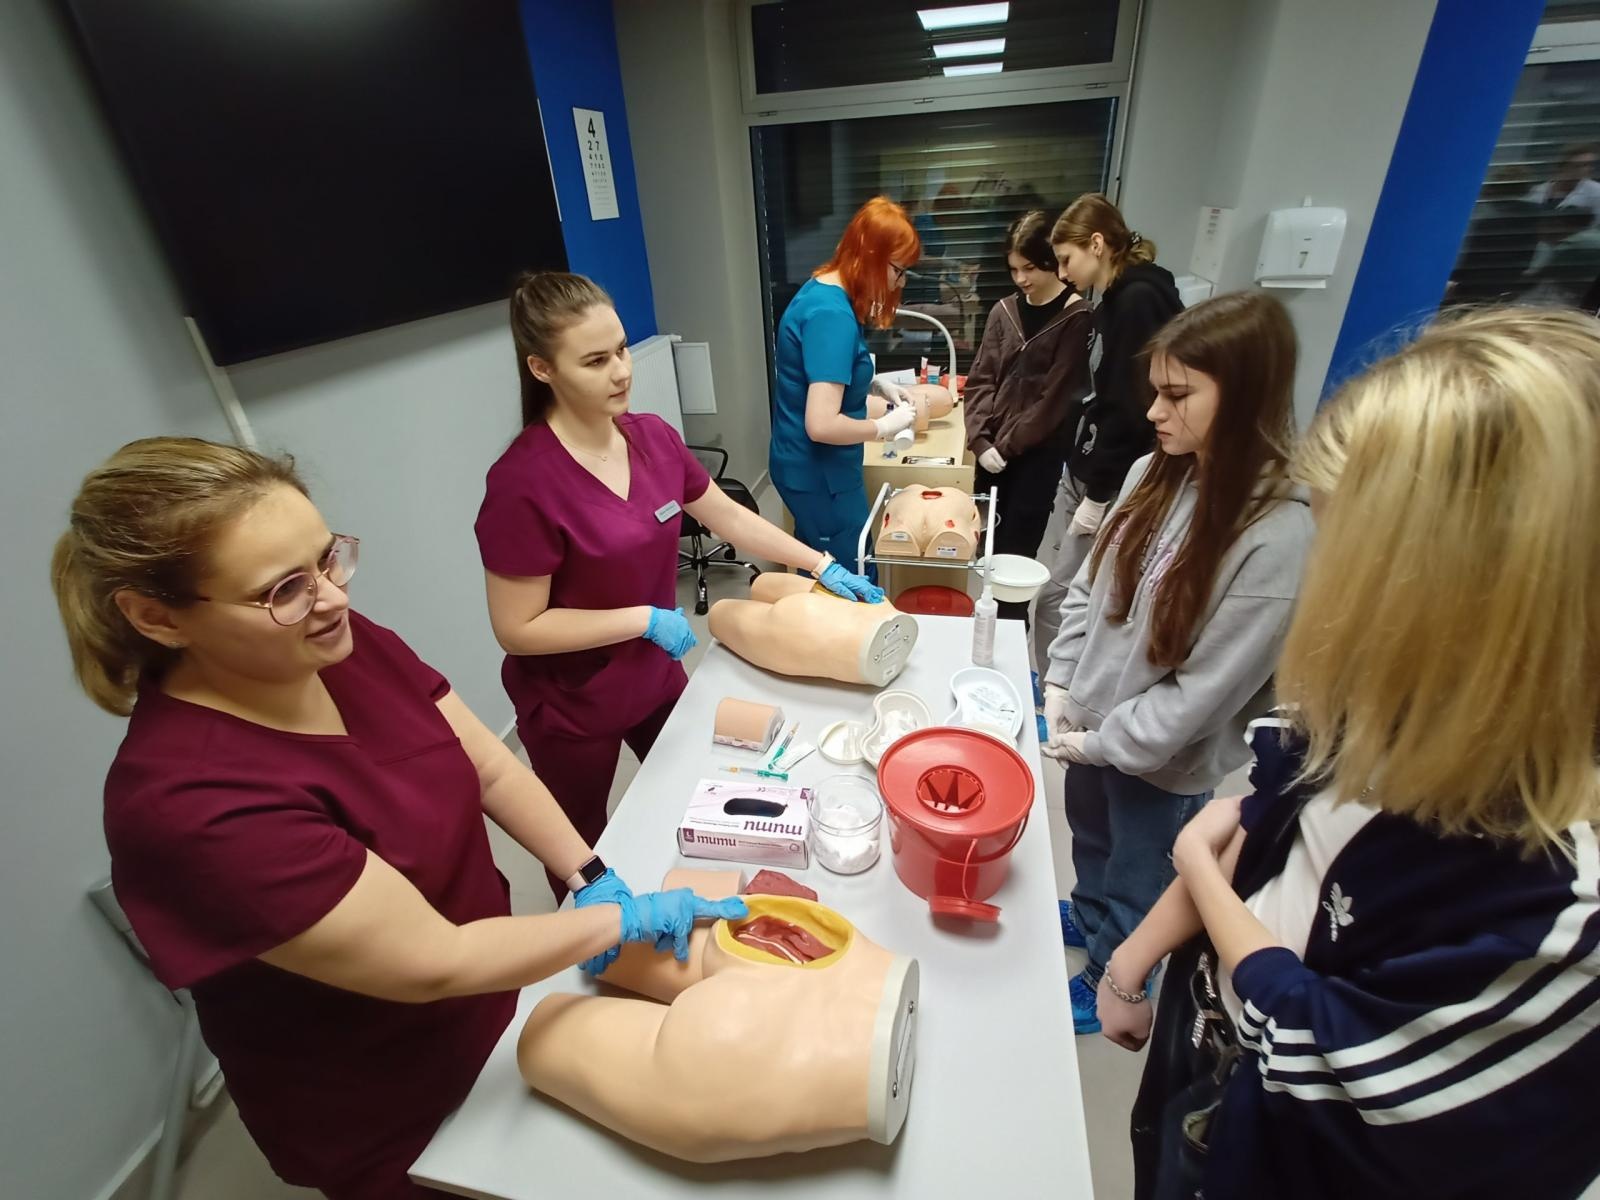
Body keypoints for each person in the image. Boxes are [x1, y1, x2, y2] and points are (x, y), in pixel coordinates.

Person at [53, 437, 748, 1200]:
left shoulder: (342, 649)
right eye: (285, 590)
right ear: (158, 617)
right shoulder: (189, 805)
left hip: (495, 999)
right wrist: (623, 921)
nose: (333, 598)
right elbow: (433, 961)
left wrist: (589, 873)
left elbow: (485, 764)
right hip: (383, 1100)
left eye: (328, 560)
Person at [1103, 306, 1600, 1200]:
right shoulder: (1379, 706)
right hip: (1212, 1071)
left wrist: (1203, 877)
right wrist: (1134, 961)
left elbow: (1325, 1058)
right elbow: (1258, 817)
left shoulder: (1565, 910)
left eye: (1353, 552)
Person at [479, 272, 883, 899]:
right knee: (583, 843)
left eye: (620, 350)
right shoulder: (521, 484)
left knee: (693, 793)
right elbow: (518, 629)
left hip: (655, 675)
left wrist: (818, 563)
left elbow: (728, 516)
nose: (620, 371)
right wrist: (641, 618)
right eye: (595, 360)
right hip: (571, 703)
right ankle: (594, 951)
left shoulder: (652, 438)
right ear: (541, 369)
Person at [1040, 291, 1313, 1036]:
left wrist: (1104, 742)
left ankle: (1112, 967)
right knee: (1090, 838)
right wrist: (1061, 679)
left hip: (1159, 761)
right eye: (1155, 392)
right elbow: (1091, 588)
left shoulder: (1275, 536)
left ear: (1246, 394)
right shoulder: (1153, 474)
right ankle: (1090, 914)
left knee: (1141, 869)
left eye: (1177, 395)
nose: (1155, 412)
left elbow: (1201, 693)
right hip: (1096, 730)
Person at [1031, 193, 1183, 675]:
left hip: (1108, 476)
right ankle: (1050, 680)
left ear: (1097, 244)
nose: (1062, 273)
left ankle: (1051, 691)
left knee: (1063, 594)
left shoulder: (1138, 301)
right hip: (1088, 464)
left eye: (1066, 259)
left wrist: (1098, 494)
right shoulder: (1114, 299)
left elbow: (1132, 407)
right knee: (1056, 588)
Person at [769, 196, 923, 572]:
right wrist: (885, 427)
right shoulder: (831, 315)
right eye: (898, 270)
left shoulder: (820, 289)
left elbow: (819, 373)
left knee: (817, 566)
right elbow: (821, 425)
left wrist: (874, 383)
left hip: (806, 467)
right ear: (871, 256)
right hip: (821, 474)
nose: (899, 282)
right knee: (851, 575)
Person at [963, 209, 1094, 621]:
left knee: (1018, 556)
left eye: (1031, 268)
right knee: (988, 548)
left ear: (1055, 261)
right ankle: (985, 626)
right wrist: (980, 441)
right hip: (991, 456)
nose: (1021, 279)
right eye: (1014, 269)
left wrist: (1007, 445)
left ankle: (1009, 638)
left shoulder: (1077, 317)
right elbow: (982, 378)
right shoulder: (1004, 311)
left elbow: (1054, 400)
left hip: (1036, 458)